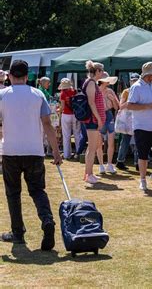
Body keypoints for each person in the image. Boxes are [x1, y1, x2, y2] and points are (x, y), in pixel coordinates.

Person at [0, 59, 62, 250]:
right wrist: (56, 152)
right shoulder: (38, 95)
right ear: (27, 77)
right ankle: (47, 221)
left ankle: (18, 232)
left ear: (10, 76)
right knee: (37, 191)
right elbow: (47, 124)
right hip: (34, 151)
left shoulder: (2, 95)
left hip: (10, 150)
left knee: (13, 193)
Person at [128, 62, 152, 191]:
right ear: (148, 74)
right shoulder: (136, 87)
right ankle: (143, 180)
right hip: (142, 126)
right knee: (143, 154)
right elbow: (129, 106)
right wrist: (148, 106)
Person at [83, 60, 106, 184]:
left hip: (93, 119)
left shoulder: (92, 83)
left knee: (91, 148)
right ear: (97, 71)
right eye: (101, 71)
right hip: (92, 120)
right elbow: (91, 103)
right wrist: (98, 119)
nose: (103, 73)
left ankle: (89, 173)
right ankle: (89, 174)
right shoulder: (91, 83)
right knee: (92, 148)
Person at [116, 73, 140, 171]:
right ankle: (120, 161)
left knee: (139, 141)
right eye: (132, 80)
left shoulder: (140, 91)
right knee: (126, 141)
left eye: (136, 80)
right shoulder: (126, 92)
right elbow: (121, 105)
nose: (134, 82)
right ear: (130, 82)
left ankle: (138, 163)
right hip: (128, 120)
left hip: (138, 118)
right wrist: (130, 102)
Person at [96, 74, 119, 174]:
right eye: (107, 80)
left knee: (111, 141)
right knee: (99, 143)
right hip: (98, 115)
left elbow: (117, 107)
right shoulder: (95, 91)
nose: (109, 82)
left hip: (109, 115)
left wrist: (113, 99)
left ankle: (109, 164)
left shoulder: (110, 91)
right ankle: (101, 165)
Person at [58, 78, 81, 159]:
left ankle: (67, 154)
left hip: (66, 115)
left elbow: (62, 107)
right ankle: (78, 153)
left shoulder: (62, 93)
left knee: (66, 135)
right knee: (77, 135)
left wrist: (58, 110)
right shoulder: (74, 91)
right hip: (75, 115)